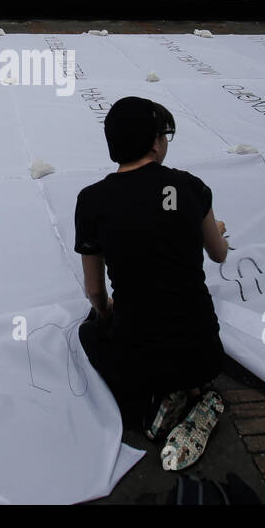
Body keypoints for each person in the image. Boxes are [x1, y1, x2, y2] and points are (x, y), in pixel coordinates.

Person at [74, 97, 229, 444]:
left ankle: (149, 404)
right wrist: (216, 229)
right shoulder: (189, 187)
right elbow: (218, 254)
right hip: (205, 351)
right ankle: (191, 389)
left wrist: (105, 313)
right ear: (156, 143)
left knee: (88, 333)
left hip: (141, 357)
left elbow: (96, 293)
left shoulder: (92, 200)